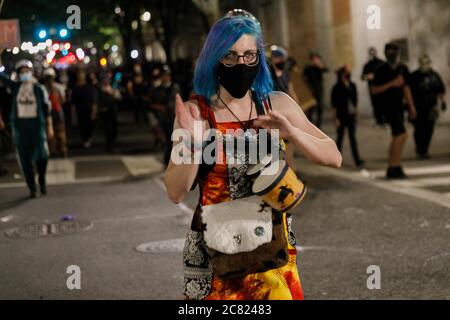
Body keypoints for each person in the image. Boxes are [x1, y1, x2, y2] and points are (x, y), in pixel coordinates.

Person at [164, 15, 341, 300]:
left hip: (270, 248)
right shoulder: (196, 113)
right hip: (219, 251)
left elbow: (333, 156)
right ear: (214, 59)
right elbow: (175, 192)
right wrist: (194, 145)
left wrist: (292, 132)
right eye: (230, 57)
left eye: (249, 55)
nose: (241, 64)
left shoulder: (276, 103)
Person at [0, 59, 54, 198]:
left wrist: (49, 127)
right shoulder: (16, 87)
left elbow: (46, 108)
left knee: (42, 156)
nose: (24, 74)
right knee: (25, 159)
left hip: (36, 126)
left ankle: (41, 179)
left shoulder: (38, 88)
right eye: (22, 72)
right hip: (20, 128)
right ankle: (32, 187)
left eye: (27, 71)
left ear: (31, 72)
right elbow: (2, 77)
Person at [371, 43, 417, 179]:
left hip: (399, 107)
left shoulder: (403, 68)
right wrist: (392, 83)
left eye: (394, 52)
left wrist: (411, 106)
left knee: (397, 136)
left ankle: (394, 166)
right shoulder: (380, 69)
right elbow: (374, 90)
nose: (391, 54)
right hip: (386, 107)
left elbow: (406, 88)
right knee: (401, 135)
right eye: (389, 52)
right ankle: (394, 166)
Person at [269, 45, 300, 171]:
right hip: (275, 114)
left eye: (283, 59)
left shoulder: (286, 73)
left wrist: (298, 109)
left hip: (287, 113)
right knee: (276, 148)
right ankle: (281, 173)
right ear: (274, 59)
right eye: (279, 58)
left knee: (289, 145)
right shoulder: (269, 75)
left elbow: (290, 90)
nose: (282, 61)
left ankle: (293, 173)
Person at [410, 54, 446, 159]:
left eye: (427, 62)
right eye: (423, 62)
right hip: (417, 107)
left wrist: (443, 102)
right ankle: (419, 148)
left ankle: (424, 150)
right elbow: (408, 91)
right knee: (418, 129)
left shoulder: (434, 75)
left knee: (429, 129)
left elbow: (441, 90)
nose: (425, 65)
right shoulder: (414, 76)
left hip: (431, 107)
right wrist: (409, 106)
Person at [331, 65, 364, 168]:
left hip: (351, 115)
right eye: (347, 72)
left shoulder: (352, 85)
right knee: (340, 138)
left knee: (352, 138)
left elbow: (355, 100)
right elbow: (334, 105)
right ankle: (336, 159)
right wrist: (335, 118)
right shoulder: (336, 88)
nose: (349, 74)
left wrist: (356, 113)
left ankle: (357, 159)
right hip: (341, 115)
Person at [148, 65, 180, 165]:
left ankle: (173, 163)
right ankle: (168, 162)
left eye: (167, 75)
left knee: (175, 142)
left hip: (174, 119)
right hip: (163, 120)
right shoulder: (157, 90)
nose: (165, 77)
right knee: (167, 142)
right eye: (163, 75)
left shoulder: (176, 88)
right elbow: (150, 105)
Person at [43, 68, 68, 157]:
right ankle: (53, 150)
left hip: (57, 111)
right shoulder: (43, 88)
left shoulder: (58, 87)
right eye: (48, 77)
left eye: (50, 77)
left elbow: (63, 100)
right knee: (50, 132)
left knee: (60, 131)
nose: (49, 79)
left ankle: (62, 149)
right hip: (48, 113)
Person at [70, 69, 97, 149]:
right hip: (80, 109)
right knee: (82, 126)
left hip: (88, 108)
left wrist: (94, 110)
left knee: (90, 125)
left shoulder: (89, 86)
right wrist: (73, 112)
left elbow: (93, 100)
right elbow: (73, 101)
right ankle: (84, 139)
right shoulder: (75, 87)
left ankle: (88, 138)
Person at [303, 52, 329, 128]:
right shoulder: (308, 68)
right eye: (314, 58)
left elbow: (326, 70)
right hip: (310, 91)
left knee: (320, 109)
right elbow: (304, 78)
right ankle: (309, 126)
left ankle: (318, 126)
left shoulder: (319, 68)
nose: (315, 60)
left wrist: (319, 64)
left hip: (319, 90)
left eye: (317, 58)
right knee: (311, 110)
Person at [97, 75, 121, 153]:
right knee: (107, 129)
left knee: (114, 128)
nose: (106, 82)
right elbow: (97, 100)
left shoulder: (113, 88)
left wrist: (112, 92)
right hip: (105, 111)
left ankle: (112, 142)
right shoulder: (100, 90)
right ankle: (109, 145)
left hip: (113, 111)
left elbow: (119, 98)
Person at [361, 47, 385, 126]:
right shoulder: (367, 65)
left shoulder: (381, 63)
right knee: (375, 103)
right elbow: (362, 77)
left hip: (382, 87)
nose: (372, 54)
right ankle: (378, 120)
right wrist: (369, 76)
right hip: (372, 87)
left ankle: (384, 119)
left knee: (383, 102)